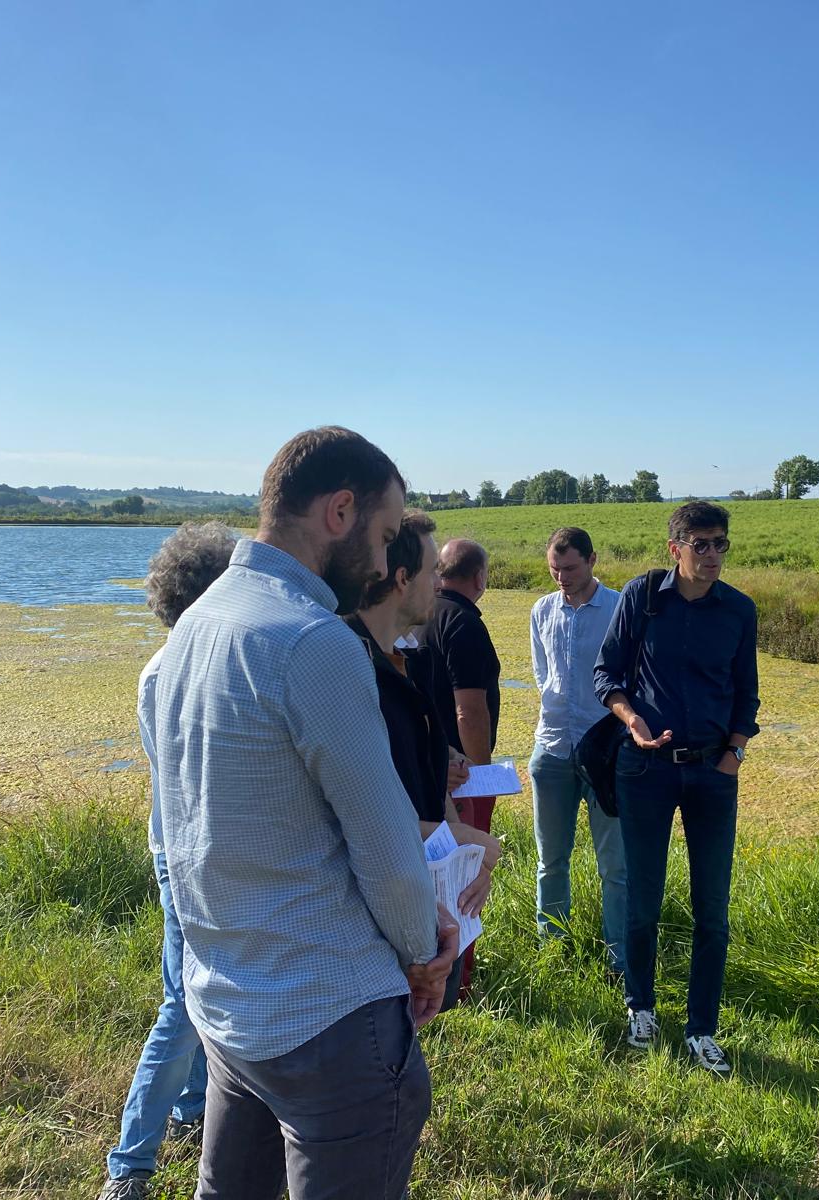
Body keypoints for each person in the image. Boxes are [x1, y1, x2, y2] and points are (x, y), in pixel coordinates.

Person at [155, 427, 458, 1200]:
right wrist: (425, 952)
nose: (390, 562)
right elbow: (388, 849)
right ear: (340, 511)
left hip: (228, 1004)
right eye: (388, 536)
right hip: (330, 1016)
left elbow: (187, 830)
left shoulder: (192, 629)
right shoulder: (312, 640)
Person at [592, 500, 759, 1076]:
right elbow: (606, 672)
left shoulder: (739, 610)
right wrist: (630, 719)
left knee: (712, 908)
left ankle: (702, 1028)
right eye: (702, 543)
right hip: (647, 770)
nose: (712, 555)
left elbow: (747, 693)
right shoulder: (642, 598)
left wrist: (734, 754)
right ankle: (641, 1007)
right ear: (676, 548)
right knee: (643, 899)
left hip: (714, 773)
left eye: (721, 544)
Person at [97, 522, 236, 1200]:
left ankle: (188, 1110)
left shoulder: (167, 663)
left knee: (181, 989)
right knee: (183, 1005)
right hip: (185, 855)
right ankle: (129, 1164)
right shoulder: (177, 669)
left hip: (175, 848)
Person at [347, 508, 502, 1011]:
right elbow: (365, 819)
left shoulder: (407, 660)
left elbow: (428, 783)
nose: (441, 584)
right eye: (434, 572)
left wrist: (458, 852)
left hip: (418, 903)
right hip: (369, 924)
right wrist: (478, 842)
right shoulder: (351, 667)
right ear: (400, 578)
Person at [529, 526, 627, 974]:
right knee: (551, 859)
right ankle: (553, 947)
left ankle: (620, 959)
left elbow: (633, 677)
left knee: (615, 866)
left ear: (592, 560)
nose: (562, 577)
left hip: (605, 751)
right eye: (554, 569)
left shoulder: (619, 608)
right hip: (551, 748)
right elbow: (542, 674)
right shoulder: (541, 610)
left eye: (569, 568)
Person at [416, 538, 502, 831]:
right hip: (460, 775)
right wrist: (481, 778)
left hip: (427, 766)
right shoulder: (464, 623)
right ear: (479, 577)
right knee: (472, 864)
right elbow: (470, 711)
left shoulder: (417, 616)